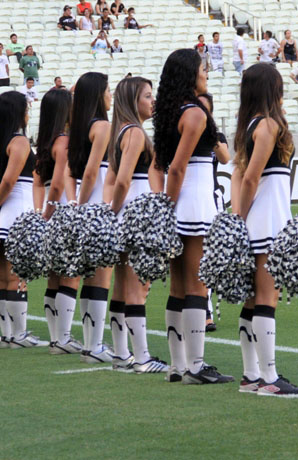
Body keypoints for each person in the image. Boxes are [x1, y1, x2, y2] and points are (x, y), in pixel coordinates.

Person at [153, 49, 233, 384]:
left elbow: (161, 164)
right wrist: (166, 208)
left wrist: (163, 210)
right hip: (194, 202)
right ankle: (196, 366)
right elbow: (178, 168)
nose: (207, 72)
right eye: (203, 69)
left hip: (180, 203)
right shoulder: (196, 114)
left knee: (178, 286)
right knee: (198, 285)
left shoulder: (169, 112)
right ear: (190, 74)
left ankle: (177, 365)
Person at [230, 63, 298, 396]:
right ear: (270, 88)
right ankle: (270, 379)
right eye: (279, 83)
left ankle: (251, 375)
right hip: (266, 217)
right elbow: (249, 178)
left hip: (259, 216)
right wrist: (240, 219)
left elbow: (241, 174)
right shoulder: (268, 125)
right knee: (266, 297)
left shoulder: (249, 125)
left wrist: (238, 219)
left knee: (253, 299)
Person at [108, 76, 170, 373]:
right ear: (134, 102)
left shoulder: (122, 132)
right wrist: (116, 213)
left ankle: (122, 355)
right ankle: (142, 358)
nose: (152, 101)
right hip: (135, 214)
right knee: (136, 287)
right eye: (147, 96)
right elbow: (121, 181)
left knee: (121, 287)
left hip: (129, 214)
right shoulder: (133, 133)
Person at [0, 91, 48, 349]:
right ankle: (18, 335)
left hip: (2, 214)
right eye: (26, 108)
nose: (28, 112)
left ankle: (7, 335)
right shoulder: (19, 141)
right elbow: (10, 181)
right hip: (16, 210)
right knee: (17, 276)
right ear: (18, 113)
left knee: (3, 276)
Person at [66, 72, 114, 361]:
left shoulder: (78, 128)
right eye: (108, 90)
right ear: (98, 95)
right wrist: (84, 208)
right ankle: (93, 346)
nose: (111, 95)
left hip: (86, 203)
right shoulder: (103, 126)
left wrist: (76, 206)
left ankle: (90, 344)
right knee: (100, 279)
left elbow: (75, 172)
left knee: (89, 277)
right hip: (97, 204)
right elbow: (92, 171)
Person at [33, 89, 79, 351]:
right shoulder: (63, 142)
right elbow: (60, 180)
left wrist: (42, 211)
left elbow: (39, 181)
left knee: (55, 277)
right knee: (69, 276)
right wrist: (51, 208)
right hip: (61, 208)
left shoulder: (47, 142)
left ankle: (56, 338)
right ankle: (63, 338)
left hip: (53, 211)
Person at [196, 93, 230, 332]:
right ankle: (204, 310)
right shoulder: (184, 134)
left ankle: (204, 305)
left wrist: (209, 130)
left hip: (213, 199)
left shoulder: (215, 136)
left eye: (206, 109)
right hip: (194, 201)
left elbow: (225, 157)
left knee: (210, 255)